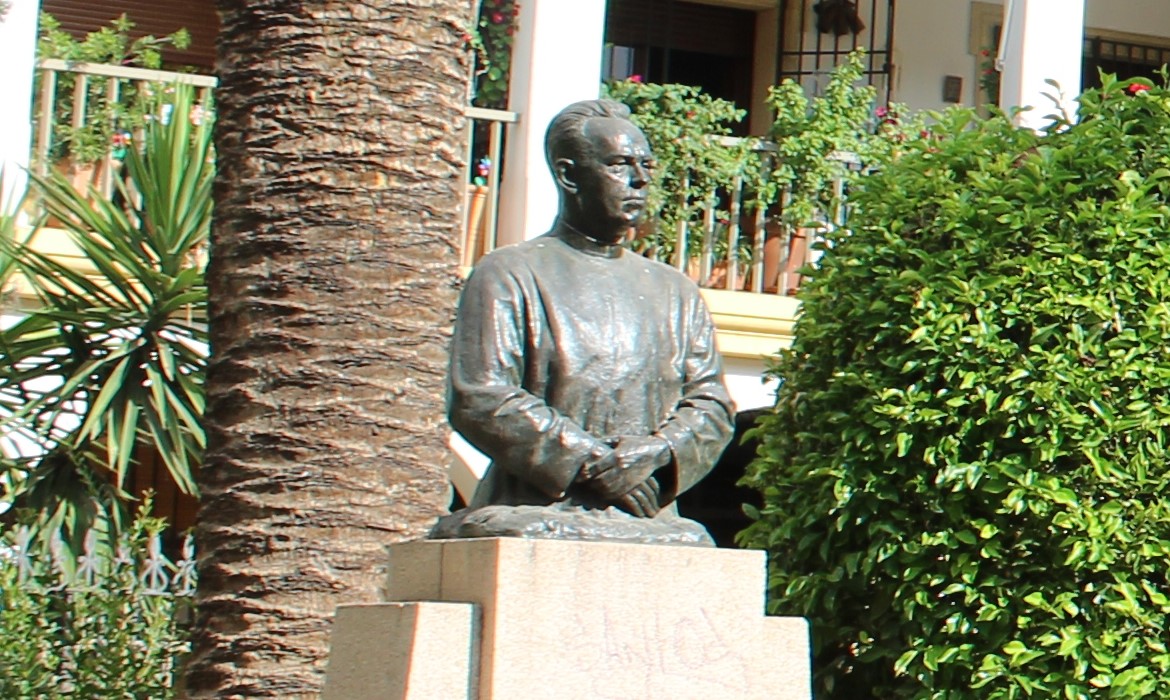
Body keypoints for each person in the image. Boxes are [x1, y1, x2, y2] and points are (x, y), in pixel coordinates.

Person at [430, 99, 734, 545]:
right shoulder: (509, 273)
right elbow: (482, 395)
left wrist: (656, 452)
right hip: (535, 506)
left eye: (646, 165)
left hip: (646, 513)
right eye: (619, 165)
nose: (640, 179)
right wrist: (593, 463)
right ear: (569, 175)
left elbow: (712, 404)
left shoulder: (675, 291)